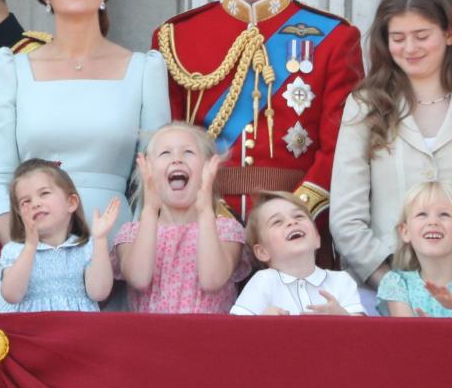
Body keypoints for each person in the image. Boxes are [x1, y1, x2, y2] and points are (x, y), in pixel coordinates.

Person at [0, 0, 170, 311]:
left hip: (115, 250)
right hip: (33, 250)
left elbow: (150, 179)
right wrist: (24, 242)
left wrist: (135, 246)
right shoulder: (13, 69)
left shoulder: (145, 70)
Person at [152, 0, 363, 267]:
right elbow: (167, 143)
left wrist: (291, 217)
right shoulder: (177, 37)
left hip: (299, 235)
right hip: (203, 236)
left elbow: (341, 148)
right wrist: (209, 215)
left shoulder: (334, 37)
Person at [331, 0, 452, 311]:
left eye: (421, 36)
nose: (409, 49)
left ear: (448, 32)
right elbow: (346, 216)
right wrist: (393, 286)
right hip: (380, 292)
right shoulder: (366, 104)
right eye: (398, 38)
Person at [113, 123, 249, 313]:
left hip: (208, 338)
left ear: (208, 167)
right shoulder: (131, 234)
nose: (177, 159)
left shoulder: (225, 230)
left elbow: (212, 280)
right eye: (165, 153)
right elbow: (139, 279)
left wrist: (205, 211)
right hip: (149, 339)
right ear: (148, 170)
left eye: (188, 152)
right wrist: (150, 210)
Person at [0, 159, 118, 312]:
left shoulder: (86, 248)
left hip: (75, 331)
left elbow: (99, 292)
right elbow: (11, 295)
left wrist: (100, 239)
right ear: (19, 213)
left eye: (44, 193)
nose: (35, 203)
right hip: (29, 330)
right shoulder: (15, 250)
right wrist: (30, 246)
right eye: (25, 201)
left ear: (71, 203)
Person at [230, 191, 364, 316]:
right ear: (262, 252)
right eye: (277, 222)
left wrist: (343, 317)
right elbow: (235, 333)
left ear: (317, 238)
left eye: (299, 216)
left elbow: (365, 334)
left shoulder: (341, 281)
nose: (292, 222)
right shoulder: (262, 281)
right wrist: (261, 323)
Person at [377, 182, 452, 317]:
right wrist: (423, 331)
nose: (433, 222)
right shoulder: (397, 283)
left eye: (444, 214)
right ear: (405, 232)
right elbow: (406, 334)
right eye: (422, 214)